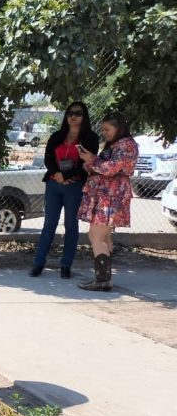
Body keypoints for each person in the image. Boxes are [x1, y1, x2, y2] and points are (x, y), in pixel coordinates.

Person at [30, 101, 99, 279]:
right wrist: (57, 174)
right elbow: (48, 159)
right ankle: (38, 263)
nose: (73, 117)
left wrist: (66, 176)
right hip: (54, 184)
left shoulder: (90, 138)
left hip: (74, 186)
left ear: (84, 116)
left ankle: (66, 265)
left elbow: (87, 164)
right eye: (70, 113)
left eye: (78, 113)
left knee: (71, 225)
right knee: (49, 225)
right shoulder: (57, 136)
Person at [76, 111, 139, 292]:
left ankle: (103, 280)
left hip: (111, 195)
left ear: (118, 128)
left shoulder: (126, 146)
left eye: (107, 129)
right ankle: (103, 278)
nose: (105, 133)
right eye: (103, 130)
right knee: (102, 237)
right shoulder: (117, 144)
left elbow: (110, 169)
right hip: (105, 194)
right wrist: (90, 161)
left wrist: (91, 159)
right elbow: (99, 167)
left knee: (96, 236)